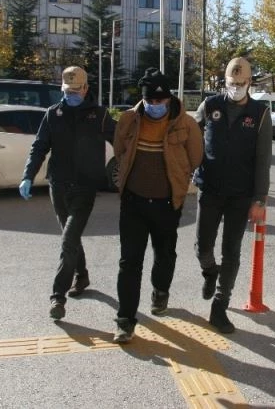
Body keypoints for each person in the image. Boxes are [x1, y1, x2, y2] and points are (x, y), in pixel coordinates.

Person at [111, 68, 203, 344]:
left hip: (167, 203)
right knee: (129, 262)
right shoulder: (129, 119)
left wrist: (179, 177)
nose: (155, 107)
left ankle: (160, 291)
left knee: (165, 255)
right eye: (150, 102)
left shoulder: (186, 124)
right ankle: (125, 320)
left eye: (160, 102)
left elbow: (195, 156)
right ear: (144, 100)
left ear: (169, 99)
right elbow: (119, 150)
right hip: (133, 202)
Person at [19, 66, 116, 321]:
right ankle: (81, 276)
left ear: (85, 89)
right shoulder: (53, 114)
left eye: (76, 90)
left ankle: (57, 297)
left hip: (85, 187)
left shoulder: (100, 115)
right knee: (70, 238)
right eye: (67, 90)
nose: (71, 94)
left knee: (67, 241)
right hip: (58, 186)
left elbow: (122, 140)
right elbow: (39, 147)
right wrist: (28, 175)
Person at [194, 57, 271, 334]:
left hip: (241, 194)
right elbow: (192, 137)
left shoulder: (260, 113)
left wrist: (260, 198)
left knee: (231, 251)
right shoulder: (211, 105)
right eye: (231, 83)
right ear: (224, 82)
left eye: (241, 83)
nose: (236, 87)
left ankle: (220, 305)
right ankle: (209, 272)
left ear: (249, 83)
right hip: (210, 189)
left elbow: (263, 159)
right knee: (202, 246)